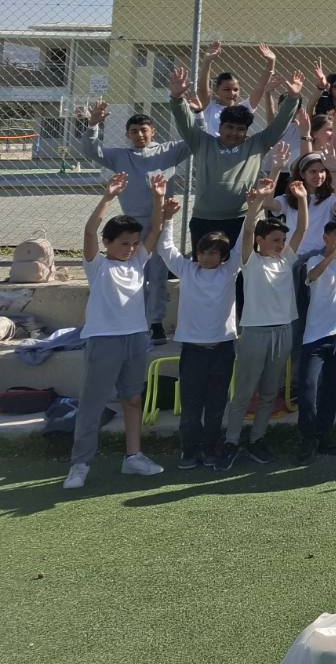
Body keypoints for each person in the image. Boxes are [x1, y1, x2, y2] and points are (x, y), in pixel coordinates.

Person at [63, 174, 169, 490]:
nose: (131, 248)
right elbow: (89, 230)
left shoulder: (138, 261)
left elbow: (155, 229)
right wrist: (108, 197)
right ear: (108, 243)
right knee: (93, 404)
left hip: (136, 338)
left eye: (134, 243)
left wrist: (158, 198)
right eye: (124, 243)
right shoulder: (96, 265)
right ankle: (80, 464)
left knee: (133, 399)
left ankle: (133, 457)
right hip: (103, 340)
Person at [76, 99, 192, 345]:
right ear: (128, 135)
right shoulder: (121, 156)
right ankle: (136, 321)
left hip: (160, 222)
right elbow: (91, 150)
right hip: (133, 228)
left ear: (153, 131)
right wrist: (93, 125)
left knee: (158, 274)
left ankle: (156, 322)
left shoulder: (169, 151)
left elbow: (195, 139)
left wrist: (194, 113)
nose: (139, 135)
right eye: (134, 131)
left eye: (144, 130)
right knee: (134, 274)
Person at [216, 177, 309, 469]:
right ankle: (231, 441)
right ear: (260, 241)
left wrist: (302, 199)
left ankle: (258, 439)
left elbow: (302, 230)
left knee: (270, 393)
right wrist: (257, 202)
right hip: (255, 333)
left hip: (283, 331)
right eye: (275, 240)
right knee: (245, 392)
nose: (281, 244)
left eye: (282, 240)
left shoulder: (286, 260)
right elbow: (246, 232)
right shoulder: (250, 261)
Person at [151, 177, 239, 469]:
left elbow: (245, 242)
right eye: (202, 251)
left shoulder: (230, 271)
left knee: (216, 405)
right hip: (192, 350)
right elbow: (165, 248)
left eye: (213, 252)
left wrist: (253, 208)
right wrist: (167, 217)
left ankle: (211, 448)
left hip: (223, 349)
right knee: (191, 406)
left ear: (223, 256)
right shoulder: (188, 270)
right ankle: (189, 451)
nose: (205, 256)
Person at [167, 63, 304, 248]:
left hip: (242, 219)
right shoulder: (203, 142)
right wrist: (177, 98)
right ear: (220, 126)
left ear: (246, 131)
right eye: (229, 127)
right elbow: (185, 123)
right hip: (204, 219)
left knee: (241, 266)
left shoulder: (256, 144)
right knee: (205, 264)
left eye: (240, 129)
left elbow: (279, 125)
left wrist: (293, 98)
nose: (234, 133)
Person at [295, 215, 336, 462]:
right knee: (308, 388)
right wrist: (333, 254)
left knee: (331, 389)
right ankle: (307, 437)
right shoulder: (314, 259)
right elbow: (313, 276)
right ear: (326, 237)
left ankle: (324, 435)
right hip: (315, 336)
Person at [197, 40, 277, 136]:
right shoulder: (210, 107)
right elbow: (203, 90)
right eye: (226, 89)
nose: (232, 93)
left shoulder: (242, 110)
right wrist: (207, 61)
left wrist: (271, 62)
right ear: (217, 90)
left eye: (235, 90)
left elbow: (260, 87)